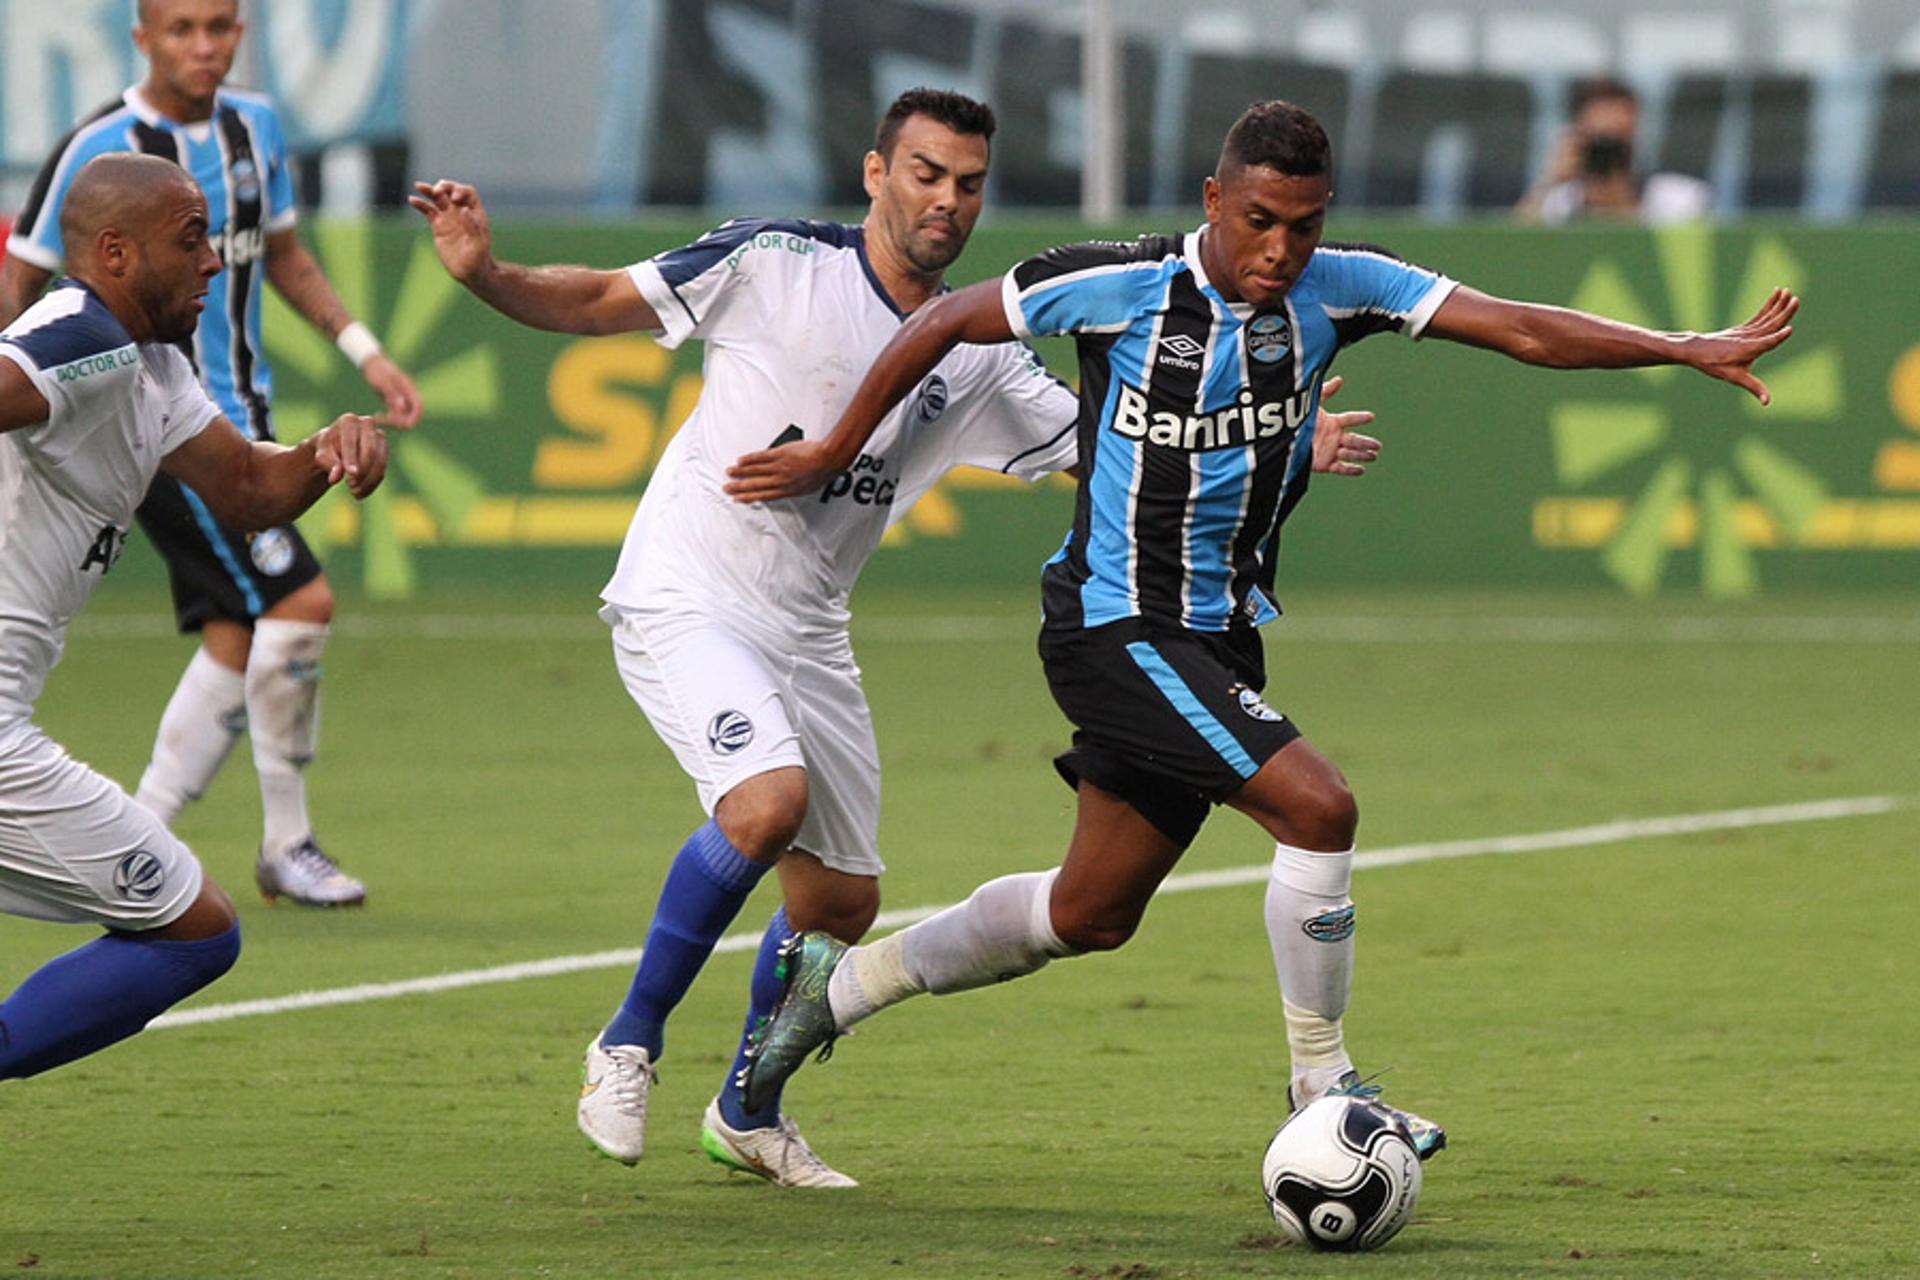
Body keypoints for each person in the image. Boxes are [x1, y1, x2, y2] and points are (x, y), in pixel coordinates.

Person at [724, 99, 1798, 1165]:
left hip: (1220, 637)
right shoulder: (1123, 282)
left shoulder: (1344, 286)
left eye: (1305, 225)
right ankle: (1326, 1087)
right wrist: (832, 448)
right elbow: (944, 322)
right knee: (1319, 807)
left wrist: (1679, 345)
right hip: (1116, 623)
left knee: (1090, 910)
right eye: (1259, 221)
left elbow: (1517, 324)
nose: (1282, 250)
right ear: (1214, 201)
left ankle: (842, 988)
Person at [411, 89, 1385, 1187]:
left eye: (968, 183)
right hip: (689, 589)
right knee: (765, 802)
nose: (947, 201)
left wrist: (1284, 440)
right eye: (925, 173)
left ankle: (746, 1108)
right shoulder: (777, 262)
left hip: (811, 626)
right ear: (877, 174)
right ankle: (627, 1041)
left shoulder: (979, 355)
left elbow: (1124, 459)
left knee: (840, 902)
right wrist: (485, 274)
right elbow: (593, 298)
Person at [0, 0, 423, 908]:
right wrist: (26, 402)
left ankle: (145, 829)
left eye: (221, 27)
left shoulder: (255, 128)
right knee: (298, 600)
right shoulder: (99, 152)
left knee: (238, 634)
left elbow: (286, 259)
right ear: (142, 36)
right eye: (183, 27)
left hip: (215, 418)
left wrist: (363, 357)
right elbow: (28, 280)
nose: (205, 46)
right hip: (121, 426)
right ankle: (284, 839)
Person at [1, 153, 387, 1081]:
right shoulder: (82, 335)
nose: (216, 260)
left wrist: (325, 451)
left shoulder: (155, 367)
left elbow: (250, 488)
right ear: (115, 252)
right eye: (190, 240)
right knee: (192, 929)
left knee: (194, 930)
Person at [1516, 77, 1712, 226]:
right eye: (1599, 139)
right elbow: (1510, 251)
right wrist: (1550, 181)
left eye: (1618, 139)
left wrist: (1622, 205)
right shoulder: (1556, 204)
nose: (1608, 151)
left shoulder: (1680, 199)